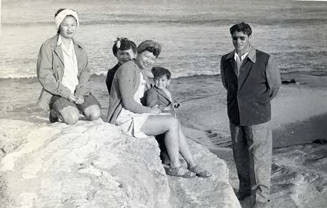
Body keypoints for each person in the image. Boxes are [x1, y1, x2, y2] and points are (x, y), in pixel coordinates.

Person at [107, 40, 211, 178]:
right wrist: (150, 111)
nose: (149, 61)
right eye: (146, 56)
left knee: (173, 120)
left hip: (133, 115)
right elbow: (127, 103)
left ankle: (192, 164)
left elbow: (143, 90)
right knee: (171, 123)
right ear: (137, 53)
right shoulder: (127, 69)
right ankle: (175, 166)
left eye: (152, 58)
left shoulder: (138, 70)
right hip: (123, 118)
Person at [220, 22, 281, 208]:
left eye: (242, 38)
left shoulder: (265, 59)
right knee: (240, 157)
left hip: (258, 116)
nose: (238, 41)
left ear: (249, 38)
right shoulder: (226, 60)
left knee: (260, 159)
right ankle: (245, 195)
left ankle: (261, 200)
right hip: (235, 116)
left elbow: (274, 87)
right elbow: (227, 84)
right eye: (235, 38)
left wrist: (257, 102)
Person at [37, 8, 101, 125]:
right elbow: (44, 75)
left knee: (95, 114)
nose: (70, 29)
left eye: (73, 25)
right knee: (72, 118)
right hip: (58, 92)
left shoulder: (79, 47)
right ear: (59, 25)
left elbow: (85, 72)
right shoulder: (48, 46)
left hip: (77, 91)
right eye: (65, 25)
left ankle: (72, 106)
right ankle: (55, 111)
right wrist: (67, 94)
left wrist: (80, 93)